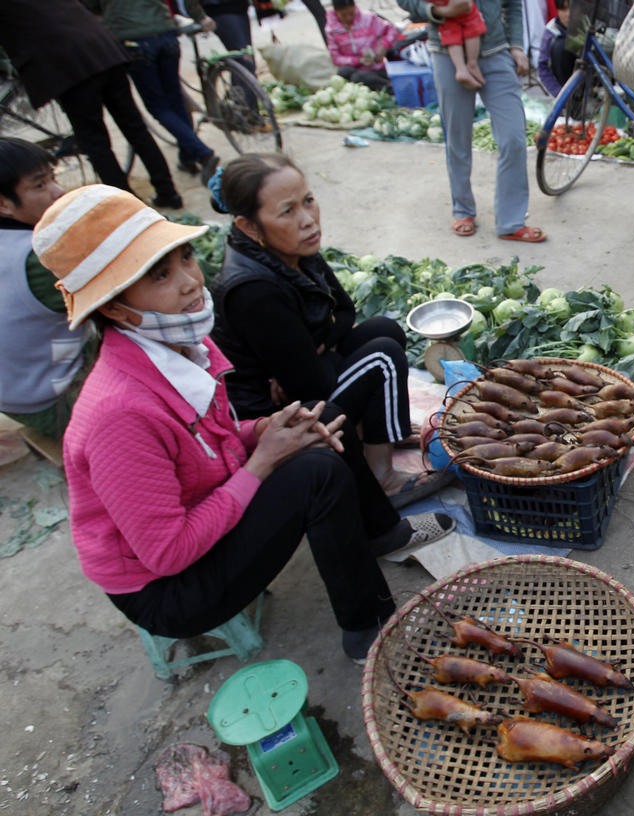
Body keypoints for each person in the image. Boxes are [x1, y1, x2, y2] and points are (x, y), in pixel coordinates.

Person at [34, 185, 417, 662]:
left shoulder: (186, 344)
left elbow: (205, 444)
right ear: (114, 307)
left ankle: (380, 534)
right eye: (160, 275)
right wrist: (260, 463)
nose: (191, 282)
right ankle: (368, 630)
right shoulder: (118, 415)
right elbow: (168, 552)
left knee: (322, 423)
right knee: (314, 473)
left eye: (187, 259)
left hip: (200, 515)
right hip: (169, 588)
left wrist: (261, 430)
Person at [207, 153, 455, 516]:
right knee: (383, 356)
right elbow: (307, 386)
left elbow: (345, 310)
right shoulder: (252, 289)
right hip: (278, 411)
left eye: (308, 200)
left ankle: (379, 430)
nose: (308, 219)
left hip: (302, 373)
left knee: (384, 328)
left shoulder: (292, 248)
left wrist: (313, 343)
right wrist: (317, 345)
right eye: (287, 211)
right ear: (249, 226)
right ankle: (381, 477)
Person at [0, 0, 183, 209]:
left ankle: (129, 208)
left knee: (96, 142)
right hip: (103, 49)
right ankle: (168, 192)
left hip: (68, 65)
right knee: (135, 128)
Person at [396, 0, 547, 242]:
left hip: (496, 53)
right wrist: (438, 12)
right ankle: (463, 209)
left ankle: (511, 222)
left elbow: (513, 5)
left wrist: (517, 46)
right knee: (458, 137)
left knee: (514, 138)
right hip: (447, 53)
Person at [0, 139, 93, 440]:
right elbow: (119, 296)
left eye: (53, 177)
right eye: (40, 185)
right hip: (48, 400)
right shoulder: (38, 258)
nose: (58, 192)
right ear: (3, 203)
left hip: (13, 390)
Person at [86, 0, 221, 181]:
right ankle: (188, 155)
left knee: (159, 107)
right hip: (166, 34)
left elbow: (90, 7)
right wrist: (200, 17)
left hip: (134, 40)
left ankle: (202, 152)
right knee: (175, 101)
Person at [326, 0, 403, 92]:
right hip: (354, 69)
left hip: (376, 69)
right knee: (343, 72)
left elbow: (392, 30)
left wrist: (383, 46)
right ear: (336, 12)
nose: (348, 18)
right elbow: (336, 58)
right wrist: (358, 61)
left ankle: (391, 89)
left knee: (359, 77)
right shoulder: (331, 29)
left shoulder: (368, 19)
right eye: (343, 15)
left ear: (355, 7)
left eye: (351, 13)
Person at [536, 0, 573, 97]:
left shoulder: (586, 25)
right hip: (563, 82)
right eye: (563, 9)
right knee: (560, 46)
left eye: (571, 9)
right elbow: (542, 67)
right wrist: (559, 93)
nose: (568, 14)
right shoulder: (551, 31)